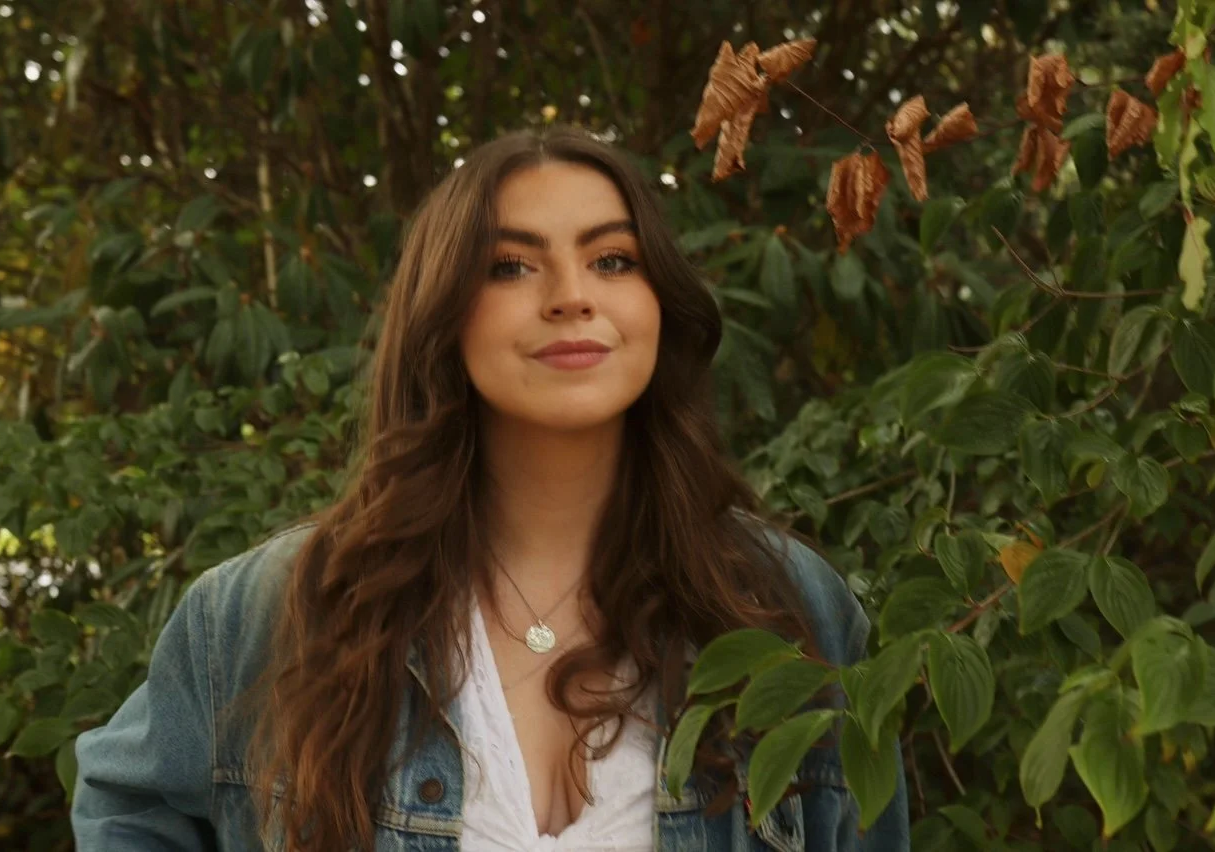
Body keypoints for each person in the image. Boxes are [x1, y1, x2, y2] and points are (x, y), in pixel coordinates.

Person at [71, 125, 909, 851]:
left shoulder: (788, 607)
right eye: (510, 266)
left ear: (661, 300)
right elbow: (126, 807)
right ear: (444, 313)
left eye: (612, 259)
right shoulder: (269, 611)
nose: (571, 297)